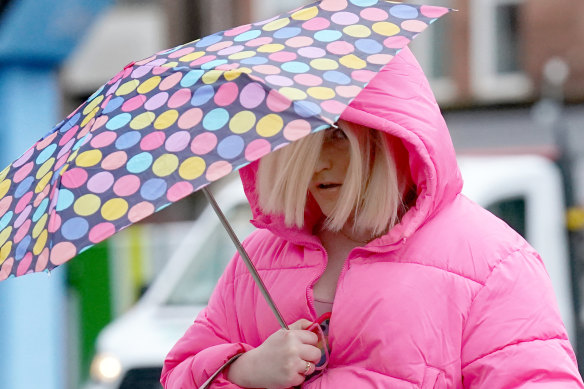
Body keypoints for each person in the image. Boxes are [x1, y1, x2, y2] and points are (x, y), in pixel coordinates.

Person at [160, 46, 584, 388]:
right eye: (299, 143)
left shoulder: (492, 263)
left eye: (339, 137)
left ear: (391, 138)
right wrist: (246, 370)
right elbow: (180, 373)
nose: (316, 166)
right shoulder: (256, 260)